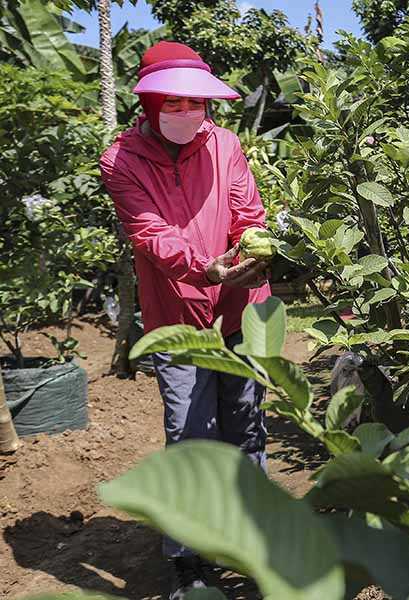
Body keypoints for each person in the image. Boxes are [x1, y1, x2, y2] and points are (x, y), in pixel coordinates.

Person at [99, 41, 271, 599]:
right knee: (191, 432)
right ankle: (188, 558)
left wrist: (252, 258)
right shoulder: (121, 161)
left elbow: (248, 214)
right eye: (172, 104)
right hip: (176, 312)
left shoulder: (224, 144)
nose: (186, 114)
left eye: (195, 103)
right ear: (149, 105)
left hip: (239, 304)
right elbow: (149, 232)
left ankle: (256, 538)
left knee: (244, 425)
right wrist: (205, 266)